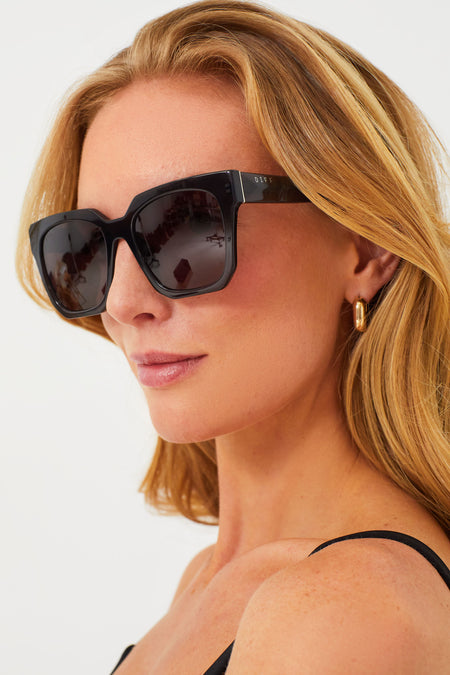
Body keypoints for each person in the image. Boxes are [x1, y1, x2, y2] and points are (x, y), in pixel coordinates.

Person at [16, 0, 450, 672]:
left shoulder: (342, 609)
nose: (123, 302)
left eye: (188, 227)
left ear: (365, 249)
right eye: (90, 244)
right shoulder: (209, 582)